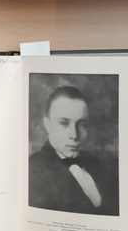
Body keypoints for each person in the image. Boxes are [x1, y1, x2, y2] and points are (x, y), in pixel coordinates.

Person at [28, 85, 119, 215]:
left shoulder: (97, 165)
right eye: (64, 123)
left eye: (82, 125)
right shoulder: (33, 169)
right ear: (47, 125)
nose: (75, 135)